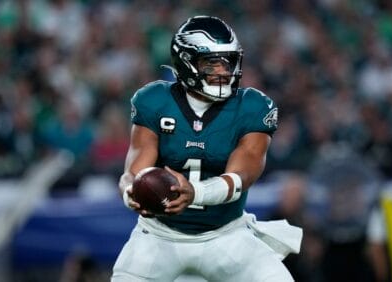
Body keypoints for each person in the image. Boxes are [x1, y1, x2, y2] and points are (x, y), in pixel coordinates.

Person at [111, 16, 301, 282]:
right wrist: (131, 192)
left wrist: (197, 193)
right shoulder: (153, 100)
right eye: (211, 62)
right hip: (159, 236)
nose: (223, 71)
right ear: (185, 62)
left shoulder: (253, 105)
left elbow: (245, 172)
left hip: (227, 235)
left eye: (228, 61)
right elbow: (135, 172)